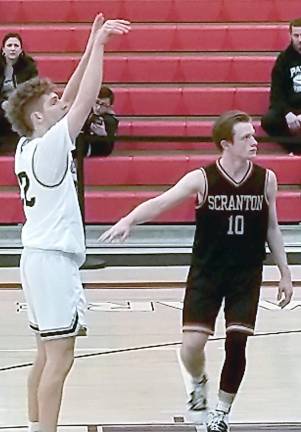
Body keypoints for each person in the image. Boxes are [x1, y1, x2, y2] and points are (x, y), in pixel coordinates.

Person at [99, 110, 293, 432]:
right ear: (225, 144)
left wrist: (284, 273)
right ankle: (198, 381)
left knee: (237, 342)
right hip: (207, 272)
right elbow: (162, 202)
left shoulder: (266, 179)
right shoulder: (202, 178)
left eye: (253, 136)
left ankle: (221, 411)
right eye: (246, 137)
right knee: (191, 346)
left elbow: (272, 228)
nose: (254, 142)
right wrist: (129, 219)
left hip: (245, 274)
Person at [4, 15, 130, 432]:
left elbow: (71, 95)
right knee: (60, 359)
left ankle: (33, 426)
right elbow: (84, 99)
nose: (61, 102)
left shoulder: (28, 144)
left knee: (44, 355)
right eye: (52, 104)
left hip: (35, 258)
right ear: (40, 118)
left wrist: (90, 41)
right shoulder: (53, 145)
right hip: (53, 262)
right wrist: (100, 49)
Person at [261, 18, 301, 154]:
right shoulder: (283, 60)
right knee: (269, 121)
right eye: (296, 35)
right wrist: (287, 113)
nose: (300, 40)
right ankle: (296, 150)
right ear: (290, 35)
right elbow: (276, 94)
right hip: (290, 108)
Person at [0, 32, 38, 149]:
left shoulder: (29, 66)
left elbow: (32, 90)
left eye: (16, 46)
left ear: (21, 50)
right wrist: (3, 103)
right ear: (3, 50)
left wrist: (16, 103)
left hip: (20, 105)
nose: (12, 49)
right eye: (9, 45)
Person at [79, 85, 119, 156]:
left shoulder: (111, 121)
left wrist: (103, 134)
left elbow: (108, 150)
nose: (98, 107)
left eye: (103, 105)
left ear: (110, 107)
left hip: (95, 149)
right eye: (97, 102)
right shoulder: (86, 112)